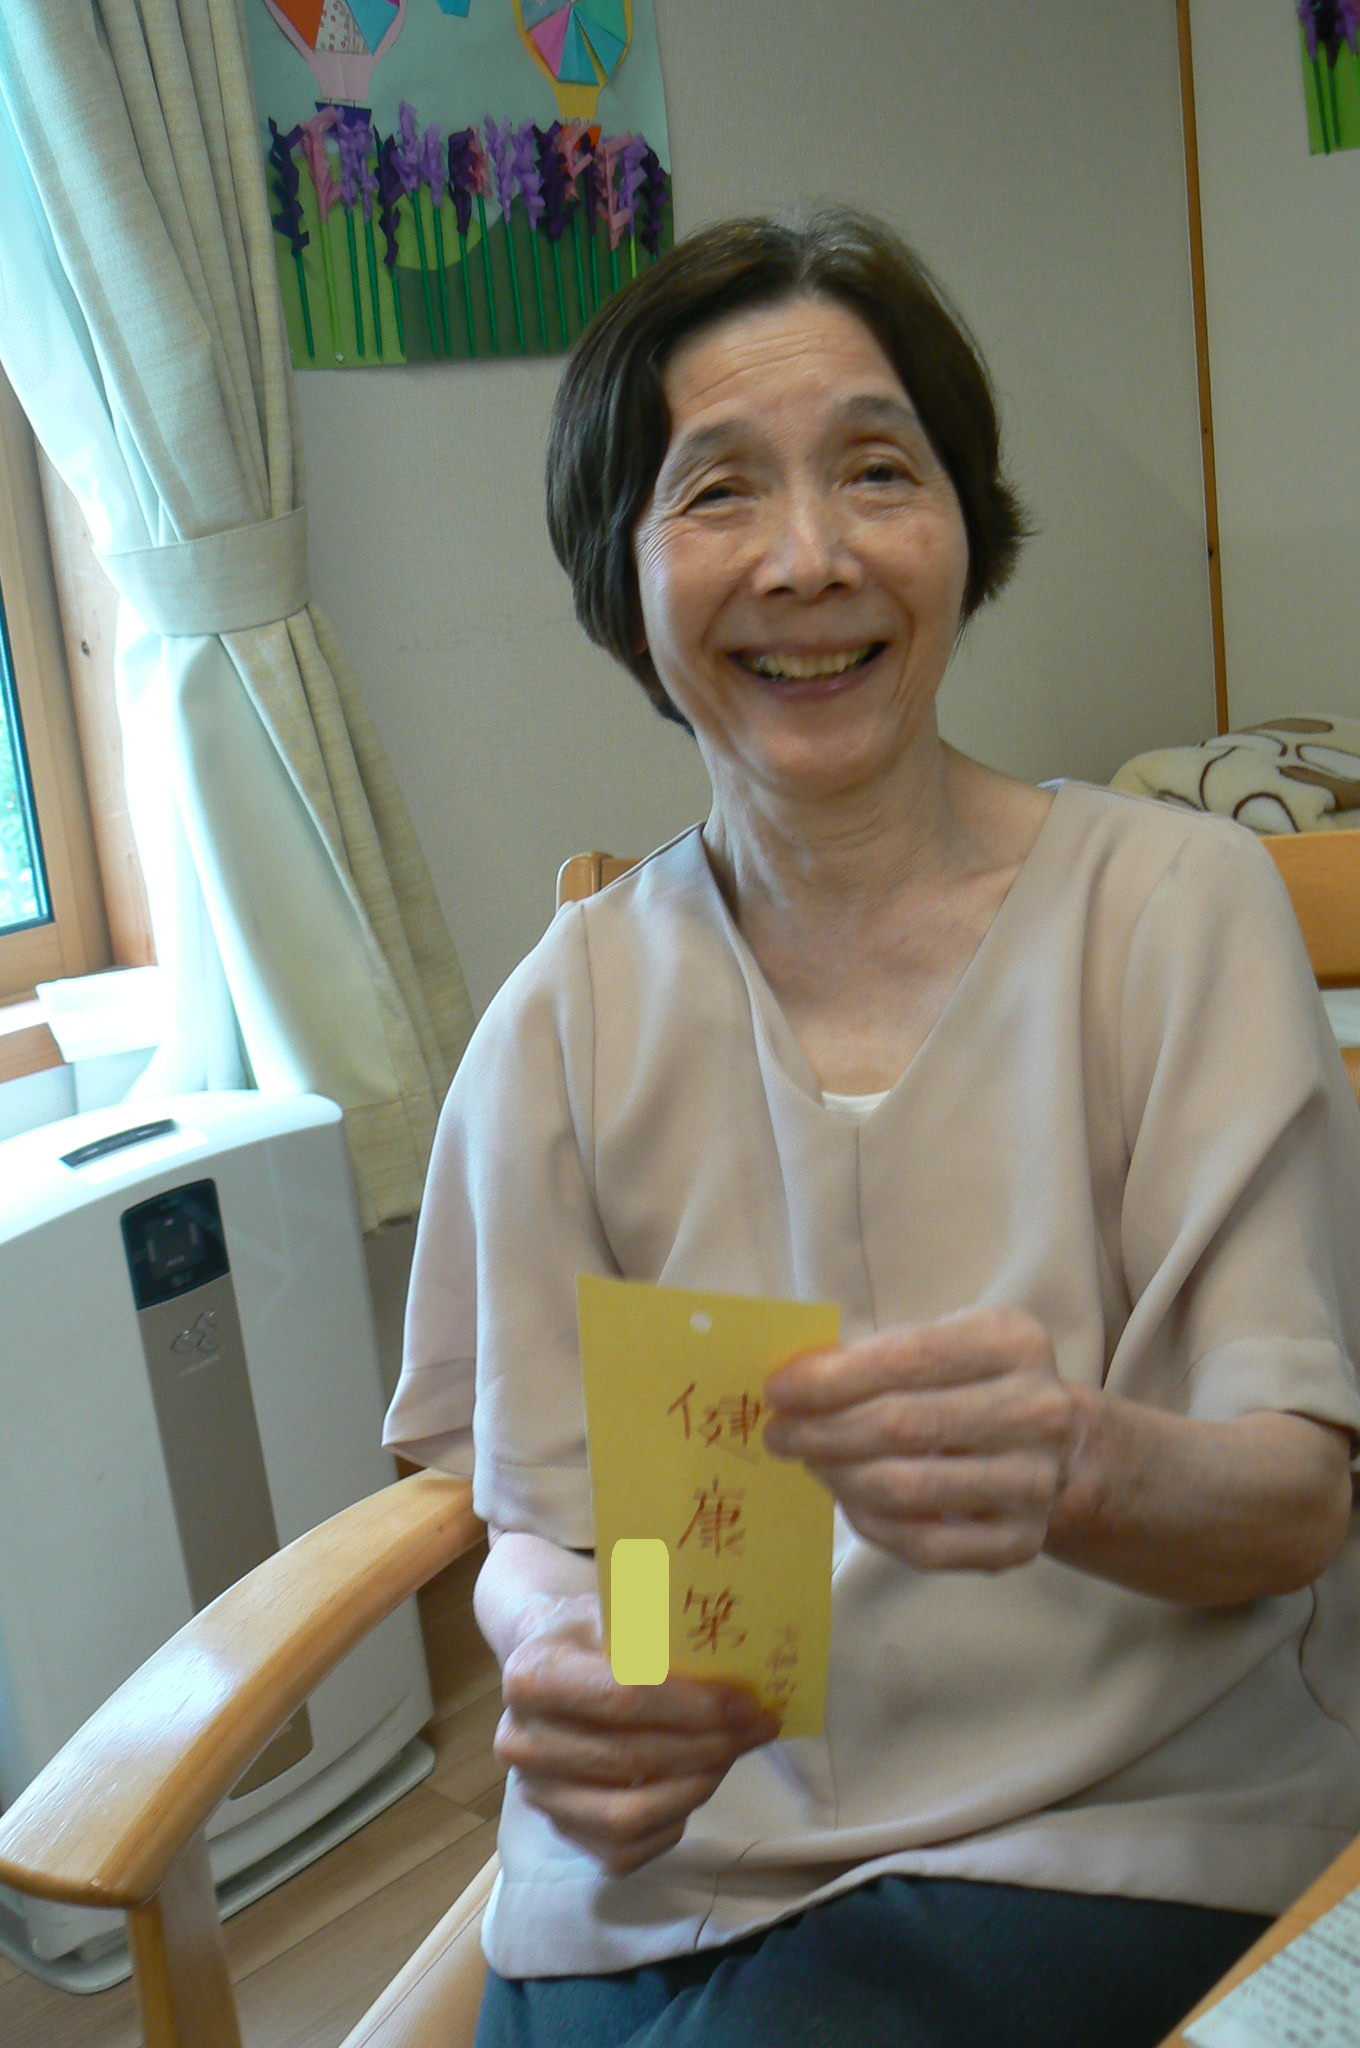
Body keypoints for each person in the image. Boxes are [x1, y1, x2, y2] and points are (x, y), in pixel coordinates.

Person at [383, 209, 1360, 2048]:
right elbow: (539, 1521)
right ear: (623, 575)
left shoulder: (1176, 912)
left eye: (878, 472)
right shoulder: (563, 1020)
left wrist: (1078, 1466)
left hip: (1100, 1823)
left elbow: (1299, 1498)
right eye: (718, 492)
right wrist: (562, 1652)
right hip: (664, 1849)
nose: (809, 557)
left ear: (965, 530)